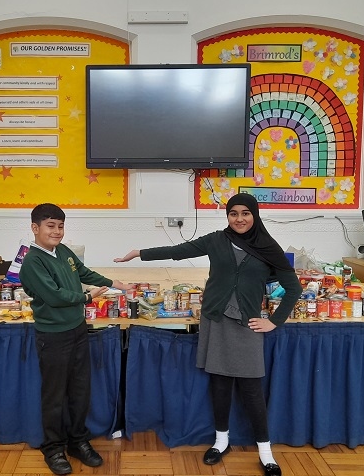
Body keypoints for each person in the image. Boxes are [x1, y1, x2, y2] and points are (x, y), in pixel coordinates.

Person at [114, 193, 301, 476]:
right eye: (233, 213)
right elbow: (179, 250)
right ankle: (220, 441)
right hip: (216, 320)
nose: (239, 219)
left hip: (247, 324)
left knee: (251, 390)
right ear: (227, 216)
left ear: (255, 215)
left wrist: (274, 321)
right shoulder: (217, 239)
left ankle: (265, 452)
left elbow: (293, 288)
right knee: (220, 384)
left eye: (245, 213)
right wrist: (139, 253)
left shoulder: (268, 247)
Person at [19, 203, 133, 475]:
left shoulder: (64, 251)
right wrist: (86, 297)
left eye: (60, 226)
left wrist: (115, 283)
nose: (56, 231)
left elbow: (84, 273)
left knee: (80, 392)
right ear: (35, 228)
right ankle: (53, 448)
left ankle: (78, 441)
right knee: (55, 396)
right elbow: (56, 296)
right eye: (50, 226)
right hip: (53, 337)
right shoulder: (33, 261)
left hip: (78, 331)